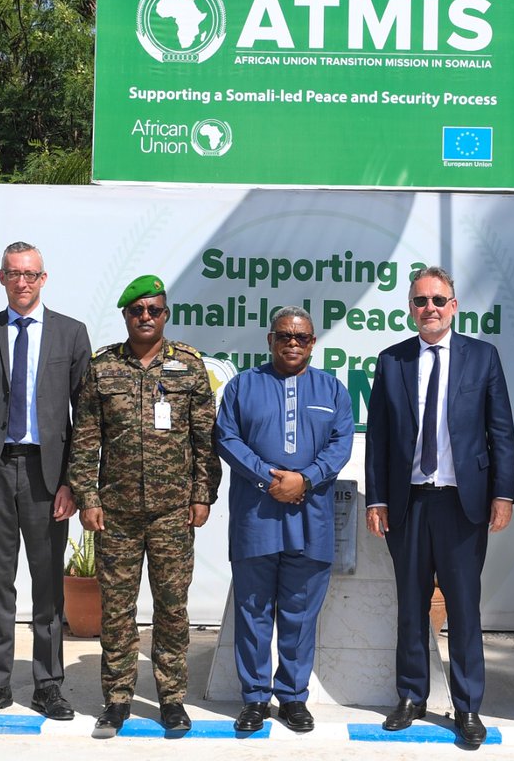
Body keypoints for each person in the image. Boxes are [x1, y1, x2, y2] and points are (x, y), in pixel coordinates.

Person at [364, 266, 514, 747]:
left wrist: (504, 494)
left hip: (462, 504)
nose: (428, 308)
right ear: (410, 308)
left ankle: (468, 705)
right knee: (410, 608)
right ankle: (411, 696)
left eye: (437, 299)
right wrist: (378, 498)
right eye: (419, 300)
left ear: (454, 306)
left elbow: (501, 433)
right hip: (408, 505)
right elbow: (380, 440)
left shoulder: (482, 357)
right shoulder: (392, 361)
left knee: (465, 609)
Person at [67, 274, 221, 738]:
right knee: (116, 608)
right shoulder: (102, 368)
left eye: (154, 310)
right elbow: (85, 439)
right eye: (138, 311)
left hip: (174, 510)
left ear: (165, 313)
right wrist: (87, 497)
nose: (146, 317)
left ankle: (171, 698)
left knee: (172, 607)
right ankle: (116, 700)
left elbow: (204, 439)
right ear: (126, 315)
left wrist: (202, 494)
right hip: (116, 511)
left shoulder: (189, 367)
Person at [0, 241, 91, 721]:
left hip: (48, 476)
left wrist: (74, 482)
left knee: (48, 586)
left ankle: (48, 684)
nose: (23, 281)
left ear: (44, 278)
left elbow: (85, 418)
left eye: (30, 273)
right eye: (14, 273)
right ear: (2, 279)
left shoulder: (71, 334)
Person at [213, 306, 354, 734]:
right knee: (253, 610)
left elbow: (340, 444)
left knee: (300, 612)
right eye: (284, 336)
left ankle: (293, 697)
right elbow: (226, 436)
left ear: (313, 343)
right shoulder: (243, 386)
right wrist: (267, 478)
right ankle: (255, 698)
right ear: (270, 340)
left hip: (311, 518)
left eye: (302, 338)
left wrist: (304, 480)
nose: (293, 344)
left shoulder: (332, 390)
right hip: (257, 516)